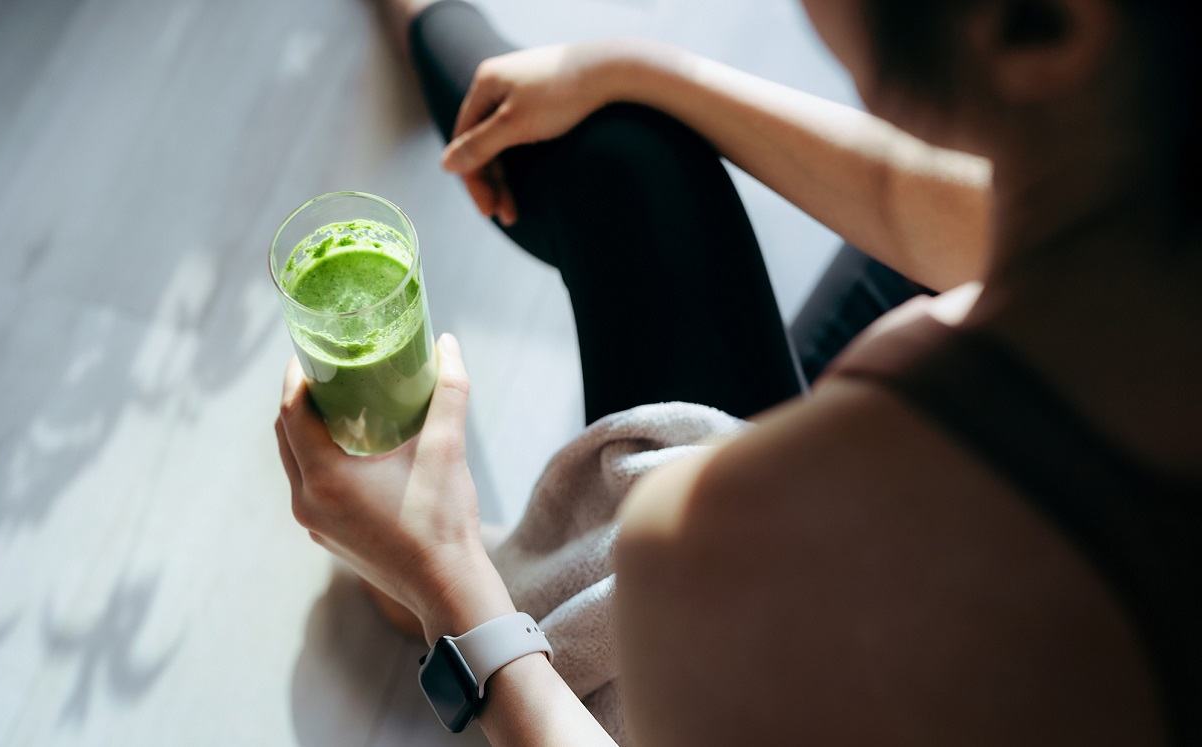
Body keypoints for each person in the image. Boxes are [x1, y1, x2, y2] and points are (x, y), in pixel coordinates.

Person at [274, 0, 1202, 743]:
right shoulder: (1137, 213)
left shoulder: (726, 541)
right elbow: (951, 210)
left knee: (624, 169)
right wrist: (641, 73)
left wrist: (447, 580)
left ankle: (454, 584)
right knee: (626, 140)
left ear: (1043, 23)